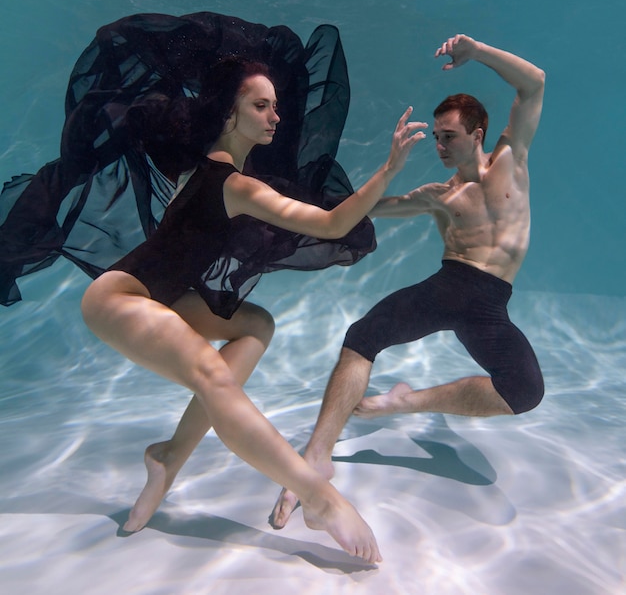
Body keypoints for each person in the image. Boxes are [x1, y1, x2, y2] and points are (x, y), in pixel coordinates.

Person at [79, 55, 427, 563]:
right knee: (209, 373)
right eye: (260, 106)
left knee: (256, 325)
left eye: (275, 107)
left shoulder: (209, 174)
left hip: (162, 298)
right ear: (228, 114)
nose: (275, 116)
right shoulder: (232, 183)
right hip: (118, 299)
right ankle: (320, 497)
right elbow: (330, 226)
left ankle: (170, 455)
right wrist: (389, 168)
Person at [269, 33, 546, 529]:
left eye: (449, 136)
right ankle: (315, 456)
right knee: (362, 338)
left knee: (524, 391)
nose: (439, 145)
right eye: (436, 137)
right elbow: (364, 209)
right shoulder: (438, 193)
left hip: (489, 303)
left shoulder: (511, 158)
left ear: (478, 133)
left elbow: (534, 84)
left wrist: (477, 52)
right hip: (449, 286)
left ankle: (406, 403)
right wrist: (384, 168)